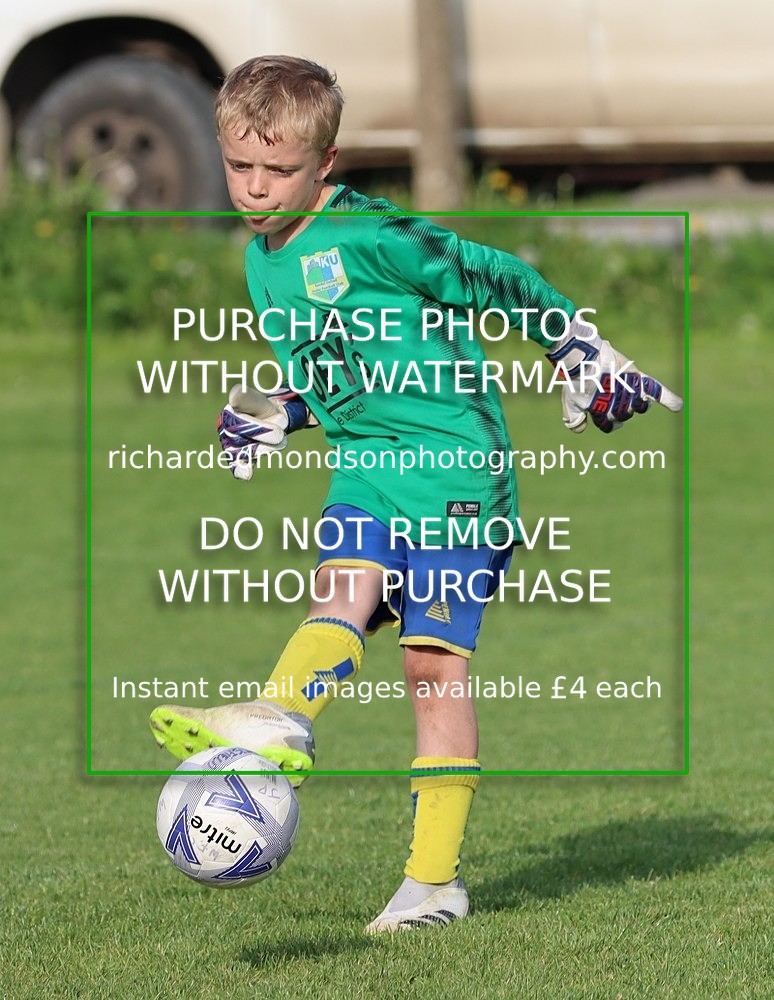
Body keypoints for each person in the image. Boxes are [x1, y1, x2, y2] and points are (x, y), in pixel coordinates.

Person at [150, 55, 682, 932]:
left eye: (278, 171)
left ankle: (432, 883)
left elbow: (492, 273)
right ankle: (279, 718)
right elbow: (345, 378)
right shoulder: (262, 264)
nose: (254, 187)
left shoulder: (374, 236)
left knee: (433, 672)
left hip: (457, 469)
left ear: (326, 163)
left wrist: (574, 344)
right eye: (239, 166)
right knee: (341, 586)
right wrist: (284, 408)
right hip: (369, 463)